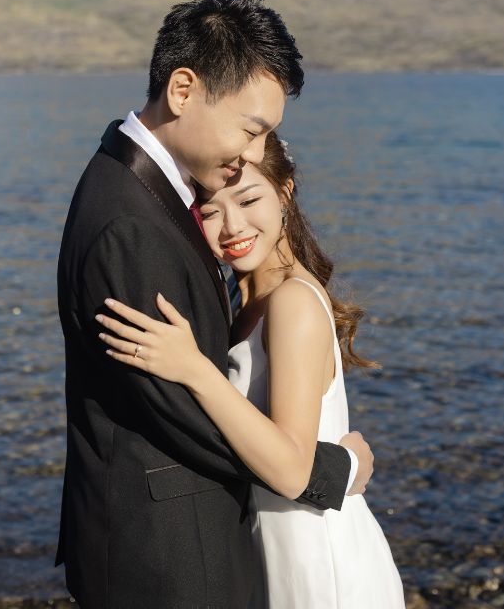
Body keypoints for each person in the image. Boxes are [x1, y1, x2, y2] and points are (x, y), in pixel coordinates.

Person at [55, 0, 375, 609]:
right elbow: (174, 409)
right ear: (183, 90)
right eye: (250, 128)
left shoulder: (150, 194)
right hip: (165, 551)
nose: (252, 154)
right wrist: (331, 472)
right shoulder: (129, 220)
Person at [97, 131, 405, 608]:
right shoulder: (242, 302)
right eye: (211, 211)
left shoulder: (292, 302)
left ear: (286, 190)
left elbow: (292, 470)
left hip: (318, 560)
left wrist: (194, 369)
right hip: (276, 548)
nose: (232, 227)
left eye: (248, 199)